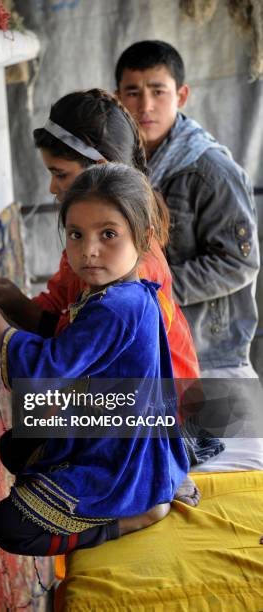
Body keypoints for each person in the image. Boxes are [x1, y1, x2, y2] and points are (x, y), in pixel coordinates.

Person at [0, 163, 190, 556]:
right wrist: (7, 313)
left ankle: (137, 515)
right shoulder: (121, 293)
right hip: (118, 427)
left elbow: (45, 373)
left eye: (108, 234)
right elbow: (71, 353)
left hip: (124, 460)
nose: (88, 250)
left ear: (144, 237)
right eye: (76, 234)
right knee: (16, 446)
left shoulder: (117, 306)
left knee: (8, 526)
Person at [0, 89, 200, 383]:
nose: (52, 188)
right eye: (76, 235)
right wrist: (12, 304)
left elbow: (64, 355)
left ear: (97, 173)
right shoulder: (95, 248)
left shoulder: (131, 274)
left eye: (60, 174)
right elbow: (63, 319)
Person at [115, 40, 260, 379]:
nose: (145, 105)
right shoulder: (123, 167)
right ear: (118, 98)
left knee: (218, 432)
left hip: (211, 353)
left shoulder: (211, 170)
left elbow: (238, 262)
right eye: (133, 92)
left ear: (181, 96)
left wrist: (149, 287)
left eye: (158, 91)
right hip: (156, 345)